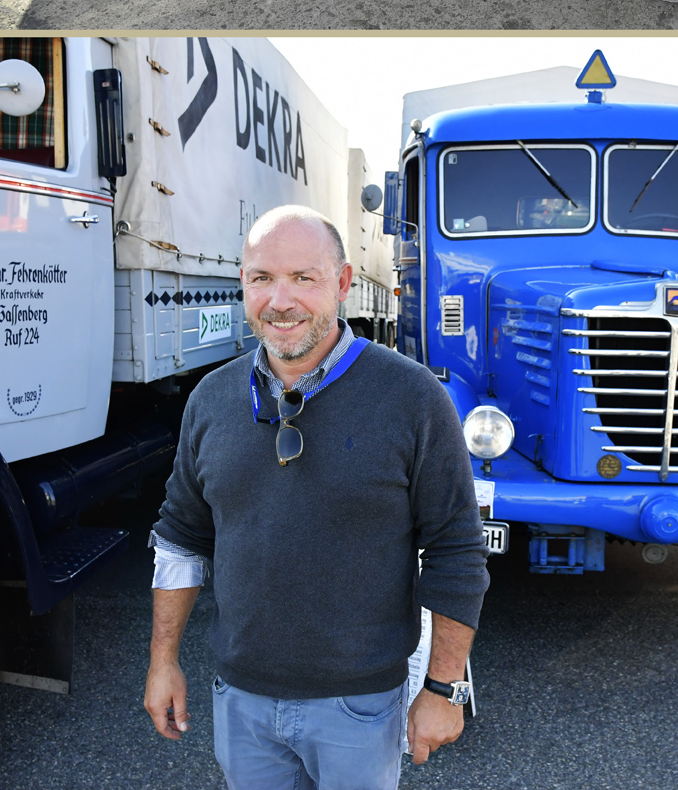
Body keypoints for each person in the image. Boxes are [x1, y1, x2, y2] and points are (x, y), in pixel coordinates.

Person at [143, 205, 488, 790]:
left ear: (344, 283)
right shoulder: (210, 400)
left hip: (360, 705)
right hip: (240, 700)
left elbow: (457, 551)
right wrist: (162, 661)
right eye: (261, 278)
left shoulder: (412, 397)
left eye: (304, 277)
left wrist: (442, 689)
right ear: (243, 285)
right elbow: (181, 539)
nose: (281, 301)